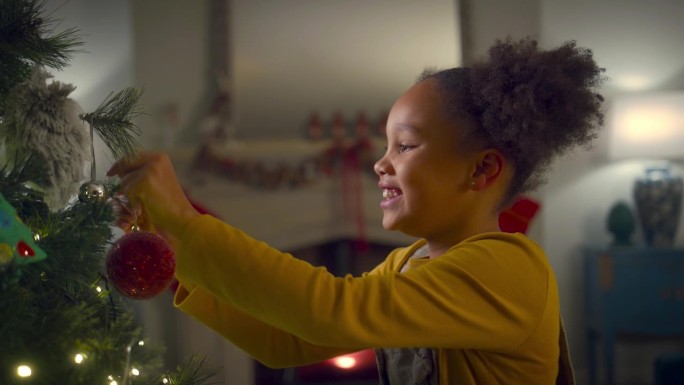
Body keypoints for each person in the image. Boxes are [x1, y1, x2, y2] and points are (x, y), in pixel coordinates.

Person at [108, 37, 605, 385]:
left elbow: (330, 312)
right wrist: (176, 245)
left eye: (405, 146)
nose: (380, 163)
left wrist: (188, 221)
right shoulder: (408, 263)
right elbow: (284, 342)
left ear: (482, 170)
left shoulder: (506, 268)